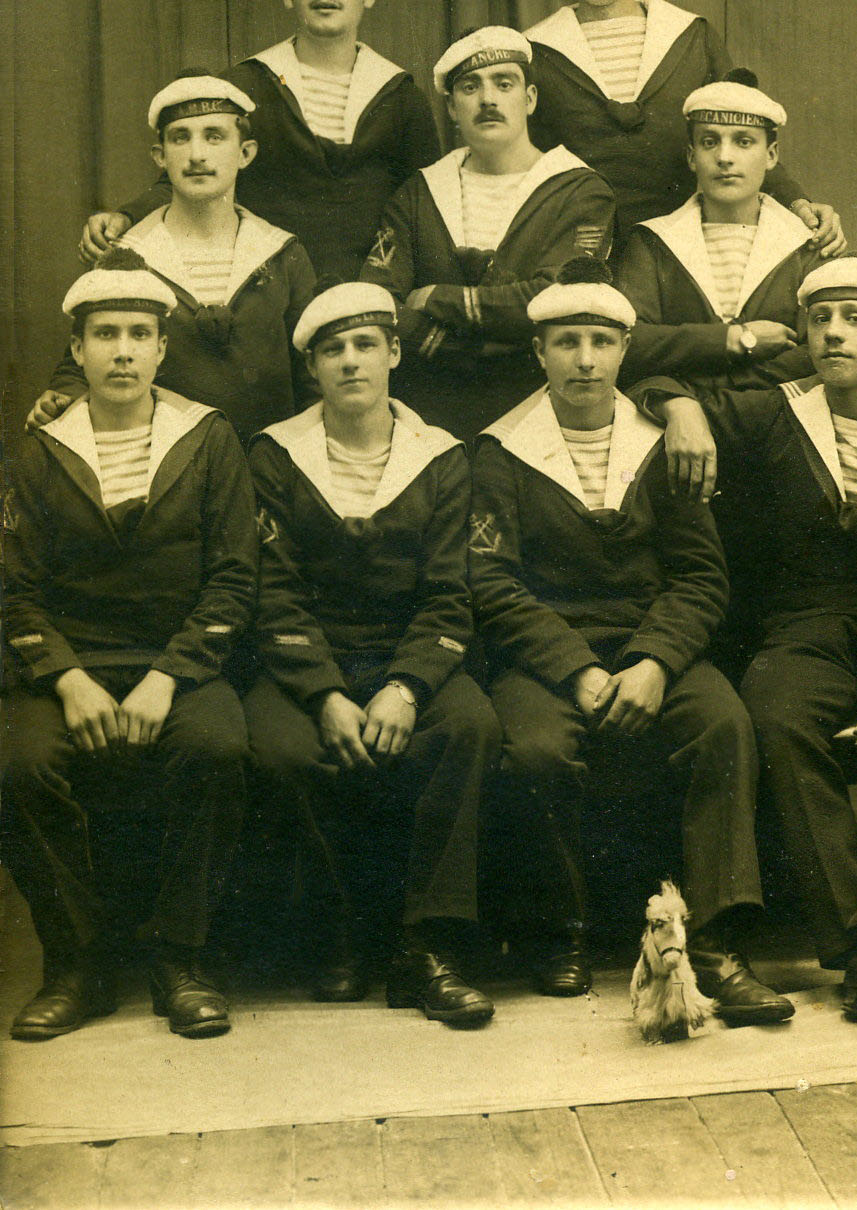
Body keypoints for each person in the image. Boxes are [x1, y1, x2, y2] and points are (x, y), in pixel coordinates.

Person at [468, 258, 794, 1025]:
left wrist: (654, 662)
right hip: (547, 657)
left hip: (653, 643)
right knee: (537, 750)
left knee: (723, 725)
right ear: (538, 352)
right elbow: (494, 585)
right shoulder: (499, 450)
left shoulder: (659, 443)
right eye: (566, 342)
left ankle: (717, 944)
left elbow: (701, 576)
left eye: (602, 342)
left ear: (624, 350)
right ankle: (561, 934)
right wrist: (577, 670)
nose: (585, 360)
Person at [636, 257, 857, 1026]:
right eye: (820, 318)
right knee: (775, 717)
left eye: (855, 318)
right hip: (801, 629)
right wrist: (681, 407)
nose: (833, 333)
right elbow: (650, 378)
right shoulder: (773, 412)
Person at [3, 254, 258, 1040]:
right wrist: (66, 677)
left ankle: (181, 959)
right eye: (105, 334)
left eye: (139, 334)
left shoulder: (208, 437)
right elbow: (16, 590)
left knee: (217, 746)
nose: (122, 352)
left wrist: (168, 676)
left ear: (162, 348)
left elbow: (234, 579)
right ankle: (78, 965)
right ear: (76, 350)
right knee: (18, 764)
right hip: (71, 665)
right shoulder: (40, 450)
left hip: (178, 663)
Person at [244, 281, 501, 1028]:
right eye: (333, 350)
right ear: (312, 368)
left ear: (394, 353)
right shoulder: (275, 454)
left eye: (365, 345)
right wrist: (325, 693)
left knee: (471, 727)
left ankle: (429, 946)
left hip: (406, 655)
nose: (350, 362)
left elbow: (450, 594)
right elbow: (272, 592)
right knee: (282, 748)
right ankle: (339, 934)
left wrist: (407, 686)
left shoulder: (441, 455)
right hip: (309, 658)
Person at [79, 0, 441, 279]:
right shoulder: (244, 86)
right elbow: (183, 179)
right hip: (267, 288)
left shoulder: (401, 96)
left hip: (371, 294)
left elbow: (425, 210)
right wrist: (125, 216)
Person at [524, 0, 844, 257]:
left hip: (686, 249)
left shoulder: (690, 36)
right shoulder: (534, 49)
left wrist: (798, 202)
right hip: (576, 251)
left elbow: (741, 127)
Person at [28, 75, 318, 446]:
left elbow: (314, 377)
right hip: (167, 466)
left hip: (268, 462)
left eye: (214, 136)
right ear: (160, 156)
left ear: (245, 153)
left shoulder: (282, 254)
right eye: (181, 137)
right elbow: (82, 362)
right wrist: (61, 397)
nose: (197, 154)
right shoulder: (129, 256)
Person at [360, 26, 615, 438]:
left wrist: (438, 298)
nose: (488, 99)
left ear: (530, 99)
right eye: (470, 86)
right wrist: (472, 342)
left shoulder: (579, 190)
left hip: (538, 408)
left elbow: (558, 296)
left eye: (504, 83)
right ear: (451, 107)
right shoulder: (418, 193)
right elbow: (378, 301)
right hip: (428, 409)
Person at [618, 70, 819, 392]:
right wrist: (732, 339)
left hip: (773, 418)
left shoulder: (806, 246)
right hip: (674, 420)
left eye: (743, 142)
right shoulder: (652, 242)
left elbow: (815, 354)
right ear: (692, 156)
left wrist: (704, 401)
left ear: (771, 156)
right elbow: (629, 341)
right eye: (709, 142)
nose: (725, 158)